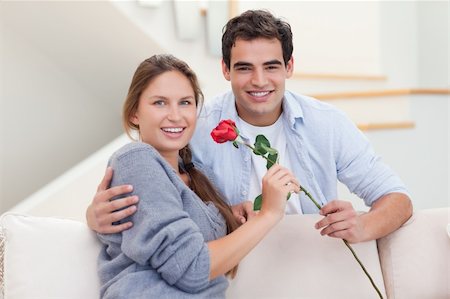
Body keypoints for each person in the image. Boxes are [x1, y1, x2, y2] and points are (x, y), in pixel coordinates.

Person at [88, 10, 412, 244]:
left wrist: (364, 225)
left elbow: (397, 198)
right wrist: (94, 218)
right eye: (244, 68)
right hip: (236, 265)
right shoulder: (195, 126)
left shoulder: (327, 124)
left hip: (313, 254)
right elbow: (155, 197)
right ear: (226, 70)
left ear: (289, 67)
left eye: (271, 67)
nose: (259, 81)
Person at [97, 54, 300, 298]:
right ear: (134, 114)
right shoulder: (136, 159)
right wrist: (268, 214)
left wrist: (228, 215)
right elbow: (191, 268)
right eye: (160, 103)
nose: (175, 115)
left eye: (185, 102)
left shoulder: (197, 173)